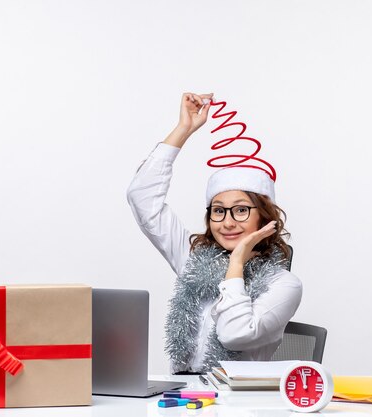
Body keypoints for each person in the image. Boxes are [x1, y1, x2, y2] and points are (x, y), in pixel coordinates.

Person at [127, 92, 302, 374]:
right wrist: (184, 129)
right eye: (218, 210)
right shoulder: (193, 261)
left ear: (264, 217)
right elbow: (142, 198)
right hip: (183, 397)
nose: (227, 222)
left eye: (241, 210)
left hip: (241, 406)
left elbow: (235, 335)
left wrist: (236, 265)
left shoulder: (284, 285)